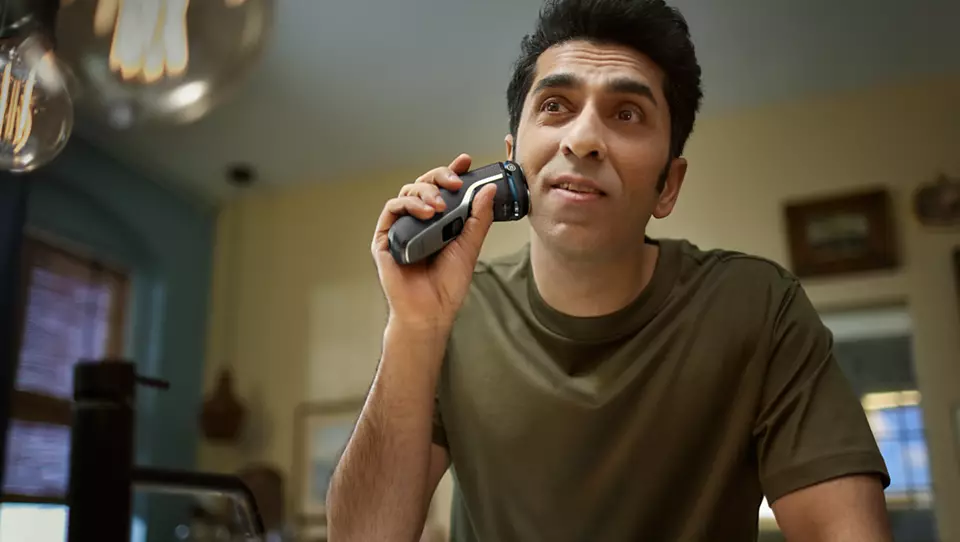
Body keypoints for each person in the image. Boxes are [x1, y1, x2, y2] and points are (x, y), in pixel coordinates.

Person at [327, 0, 893, 540]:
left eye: (626, 113)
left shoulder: (760, 307)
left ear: (668, 185)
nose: (582, 140)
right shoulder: (453, 318)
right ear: (512, 160)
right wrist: (414, 328)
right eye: (555, 106)